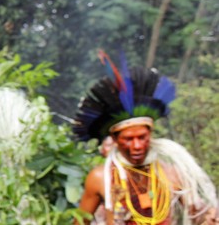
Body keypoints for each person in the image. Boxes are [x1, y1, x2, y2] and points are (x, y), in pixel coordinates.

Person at [73, 51, 218, 225]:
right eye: (129, 139)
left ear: (151, 133)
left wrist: (210, 216)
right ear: (115, 139)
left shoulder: (170, 173)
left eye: (142, 137)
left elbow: (197, 212)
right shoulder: (100, 178)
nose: (137, 145)